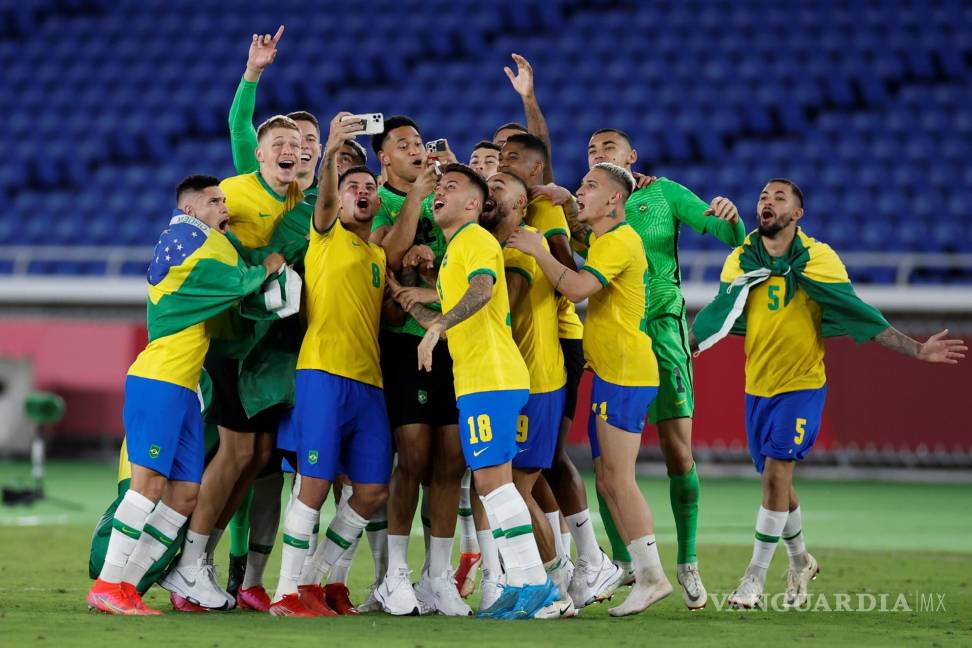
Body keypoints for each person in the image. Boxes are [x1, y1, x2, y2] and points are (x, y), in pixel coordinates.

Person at [690, 178, 967, 609]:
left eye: (779, 198)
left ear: (797, 214)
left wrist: (916, 349)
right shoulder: (741, 258)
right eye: (763, 196)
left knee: (777, 474)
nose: (767, 202)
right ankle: (801, 559)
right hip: (757, 386)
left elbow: (856, 311)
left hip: (802, 385)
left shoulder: (819, 258)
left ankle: (754, 578)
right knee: (774, 481)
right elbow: (719, 314)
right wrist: (684, 349)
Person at [536, 127, 743, 607]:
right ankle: (629, 563)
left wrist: (731, 219)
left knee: (677, 455)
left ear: (631, 157)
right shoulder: (589, 211)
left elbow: (723, 233)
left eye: (607, 148)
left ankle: (686, 563)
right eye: (589, 150)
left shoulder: (662, 194)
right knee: (607, 466)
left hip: (660, 333)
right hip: (612, 342)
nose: (597, 154)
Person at [86, 175, 285, 615]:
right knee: (148, 486)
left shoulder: (199, 239)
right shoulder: (188, 237)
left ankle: (129, 585)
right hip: (160, 379)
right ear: (192, 210)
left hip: (183, 386)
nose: (224, 208)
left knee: (185, 494)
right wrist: (265, 269)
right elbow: (232, 280)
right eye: (215, 201)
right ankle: (108, 583)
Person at [397, 163, 560, 620]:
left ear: (474, 204)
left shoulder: (475, 240)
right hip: (482, 379)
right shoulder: (452, 253)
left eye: (452, 187)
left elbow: (484, 290)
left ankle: (537, 585)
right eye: (439, 187)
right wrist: (412, 304)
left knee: (491, 484)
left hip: (490, 379)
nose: (439, 192)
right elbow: (451, 320)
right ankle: (523, 583)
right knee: (493, 486)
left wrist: (439, 325)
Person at [509, 163, 672, 617]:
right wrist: (562, 201)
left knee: (619, 479)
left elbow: (578, 287)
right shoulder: (604, 239)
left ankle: (653, 576)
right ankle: (643, 572)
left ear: (615, 201)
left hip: (626, 372)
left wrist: (540, 252)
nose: (581, 191)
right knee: (607, 479)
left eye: (590, 186)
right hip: (611, 372)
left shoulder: (621, 240)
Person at [161, 115, 302, 609]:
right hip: (232, 348)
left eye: (305, 142)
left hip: (266, 352)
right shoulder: (236, 198)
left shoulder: (294, 201)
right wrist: (252, 76)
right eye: (283, 142)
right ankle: (188, 563)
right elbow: (242, 132)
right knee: (235, 455)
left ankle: (199, 563)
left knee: (258, 458)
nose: (296, 148)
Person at [268, 114, 392, 617]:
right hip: (321, 373)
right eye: (351, 186)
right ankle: (285, 593)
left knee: (371, 490)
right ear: (337, 201)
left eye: (368, 186)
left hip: (370, 385)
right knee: (314, 486)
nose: (360, 191)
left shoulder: (379, 257)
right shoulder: (324, 236)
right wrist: (333, 150)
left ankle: (315, 582)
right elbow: (321, 197)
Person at [369, 117, 468, 616]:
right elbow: (388, 255)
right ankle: (395, 575)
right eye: (403, 144)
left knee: (452, 458)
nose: (415, 149)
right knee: (412, 456)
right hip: (405, 342)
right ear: (384, 157)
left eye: (417, 142)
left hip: (453, 339)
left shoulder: (444, 196)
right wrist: (415, 205)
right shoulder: (380, 201)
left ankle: (438, 576)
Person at [477, 170, 579, 617]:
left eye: (500, 186)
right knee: (511, 490)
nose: (489, 187)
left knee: (515, 491)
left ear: (521, 205)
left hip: (531, 383)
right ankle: (540, 582)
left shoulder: (521, 244)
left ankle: (552, 584)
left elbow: (504, 305)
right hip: (517, 380)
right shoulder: (497, 245)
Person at [498, 131, 591, 587]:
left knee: (522, 481)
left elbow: (568, 276)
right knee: (516, 482)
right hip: (517, 369)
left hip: (541, 364)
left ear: (534, 173)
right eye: (497, 156)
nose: (500, 163)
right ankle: (554, 575)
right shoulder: (497, 228)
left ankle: (562, 575)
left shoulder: (537, 220)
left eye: (511, 157)